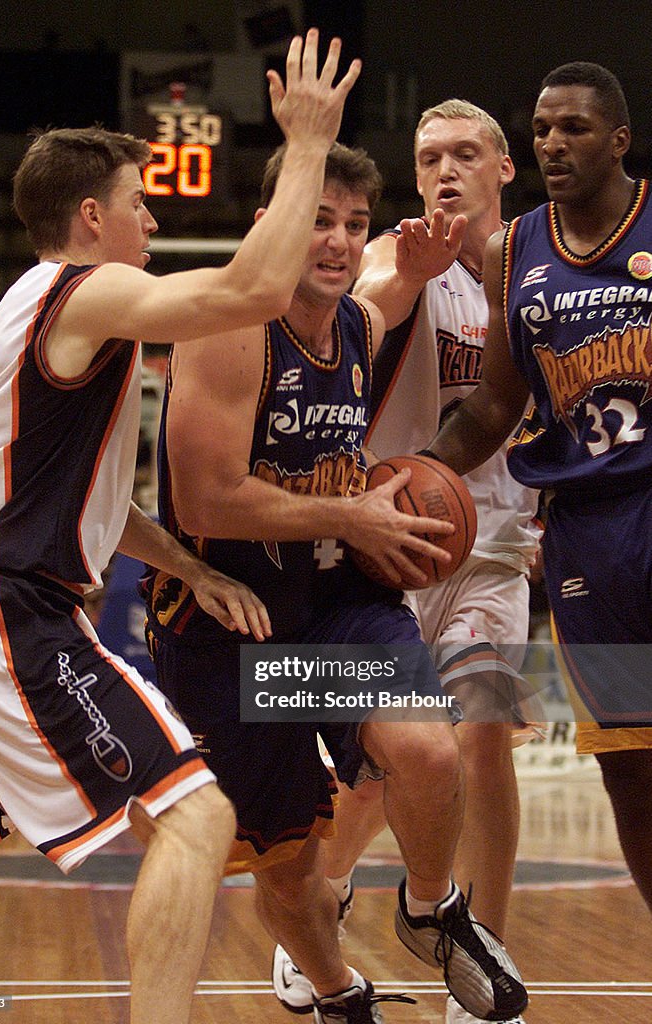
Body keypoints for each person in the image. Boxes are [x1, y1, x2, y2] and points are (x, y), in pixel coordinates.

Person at [0, 31, 361, 1024]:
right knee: (195, 812)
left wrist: (183, 562)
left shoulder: (21, 307)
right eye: (138, 200)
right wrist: (305, 142)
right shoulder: (89, 290)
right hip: (5, 608)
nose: (152, 213)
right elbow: (253, 292)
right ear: (91, 216)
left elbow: (85, 500)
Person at [143, 141, 529, 1024]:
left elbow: (388, 287)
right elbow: (206, 501)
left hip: (330, 608)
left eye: (353, 225)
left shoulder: (355, 322)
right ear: (269, 225)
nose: (338, 241)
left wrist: (423, 259)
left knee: (430, 750)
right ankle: (335, 992)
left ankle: (428, 906)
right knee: (285, 864)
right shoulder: (227, 327)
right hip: (231, 632)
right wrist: (350, 517)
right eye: (317, 220)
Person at [271, 100, 541, 1024]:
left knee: (482, 727)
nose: (445, 170)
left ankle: (479, 949)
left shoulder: (535, 272)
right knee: (388, 770)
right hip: (382, 547)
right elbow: (329, 324)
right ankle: (333, 885)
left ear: (505, 168)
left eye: (466, 153)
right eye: (429, 156)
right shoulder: (396, 261)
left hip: (490, 543)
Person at [422, 62, 652, 919]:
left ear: (619, 139)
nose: (553, 144)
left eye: (575, 129)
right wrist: (418, 476)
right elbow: (493, 403)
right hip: (587, 537)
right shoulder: (510, 251)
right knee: (628, 765)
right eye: (542, 130)